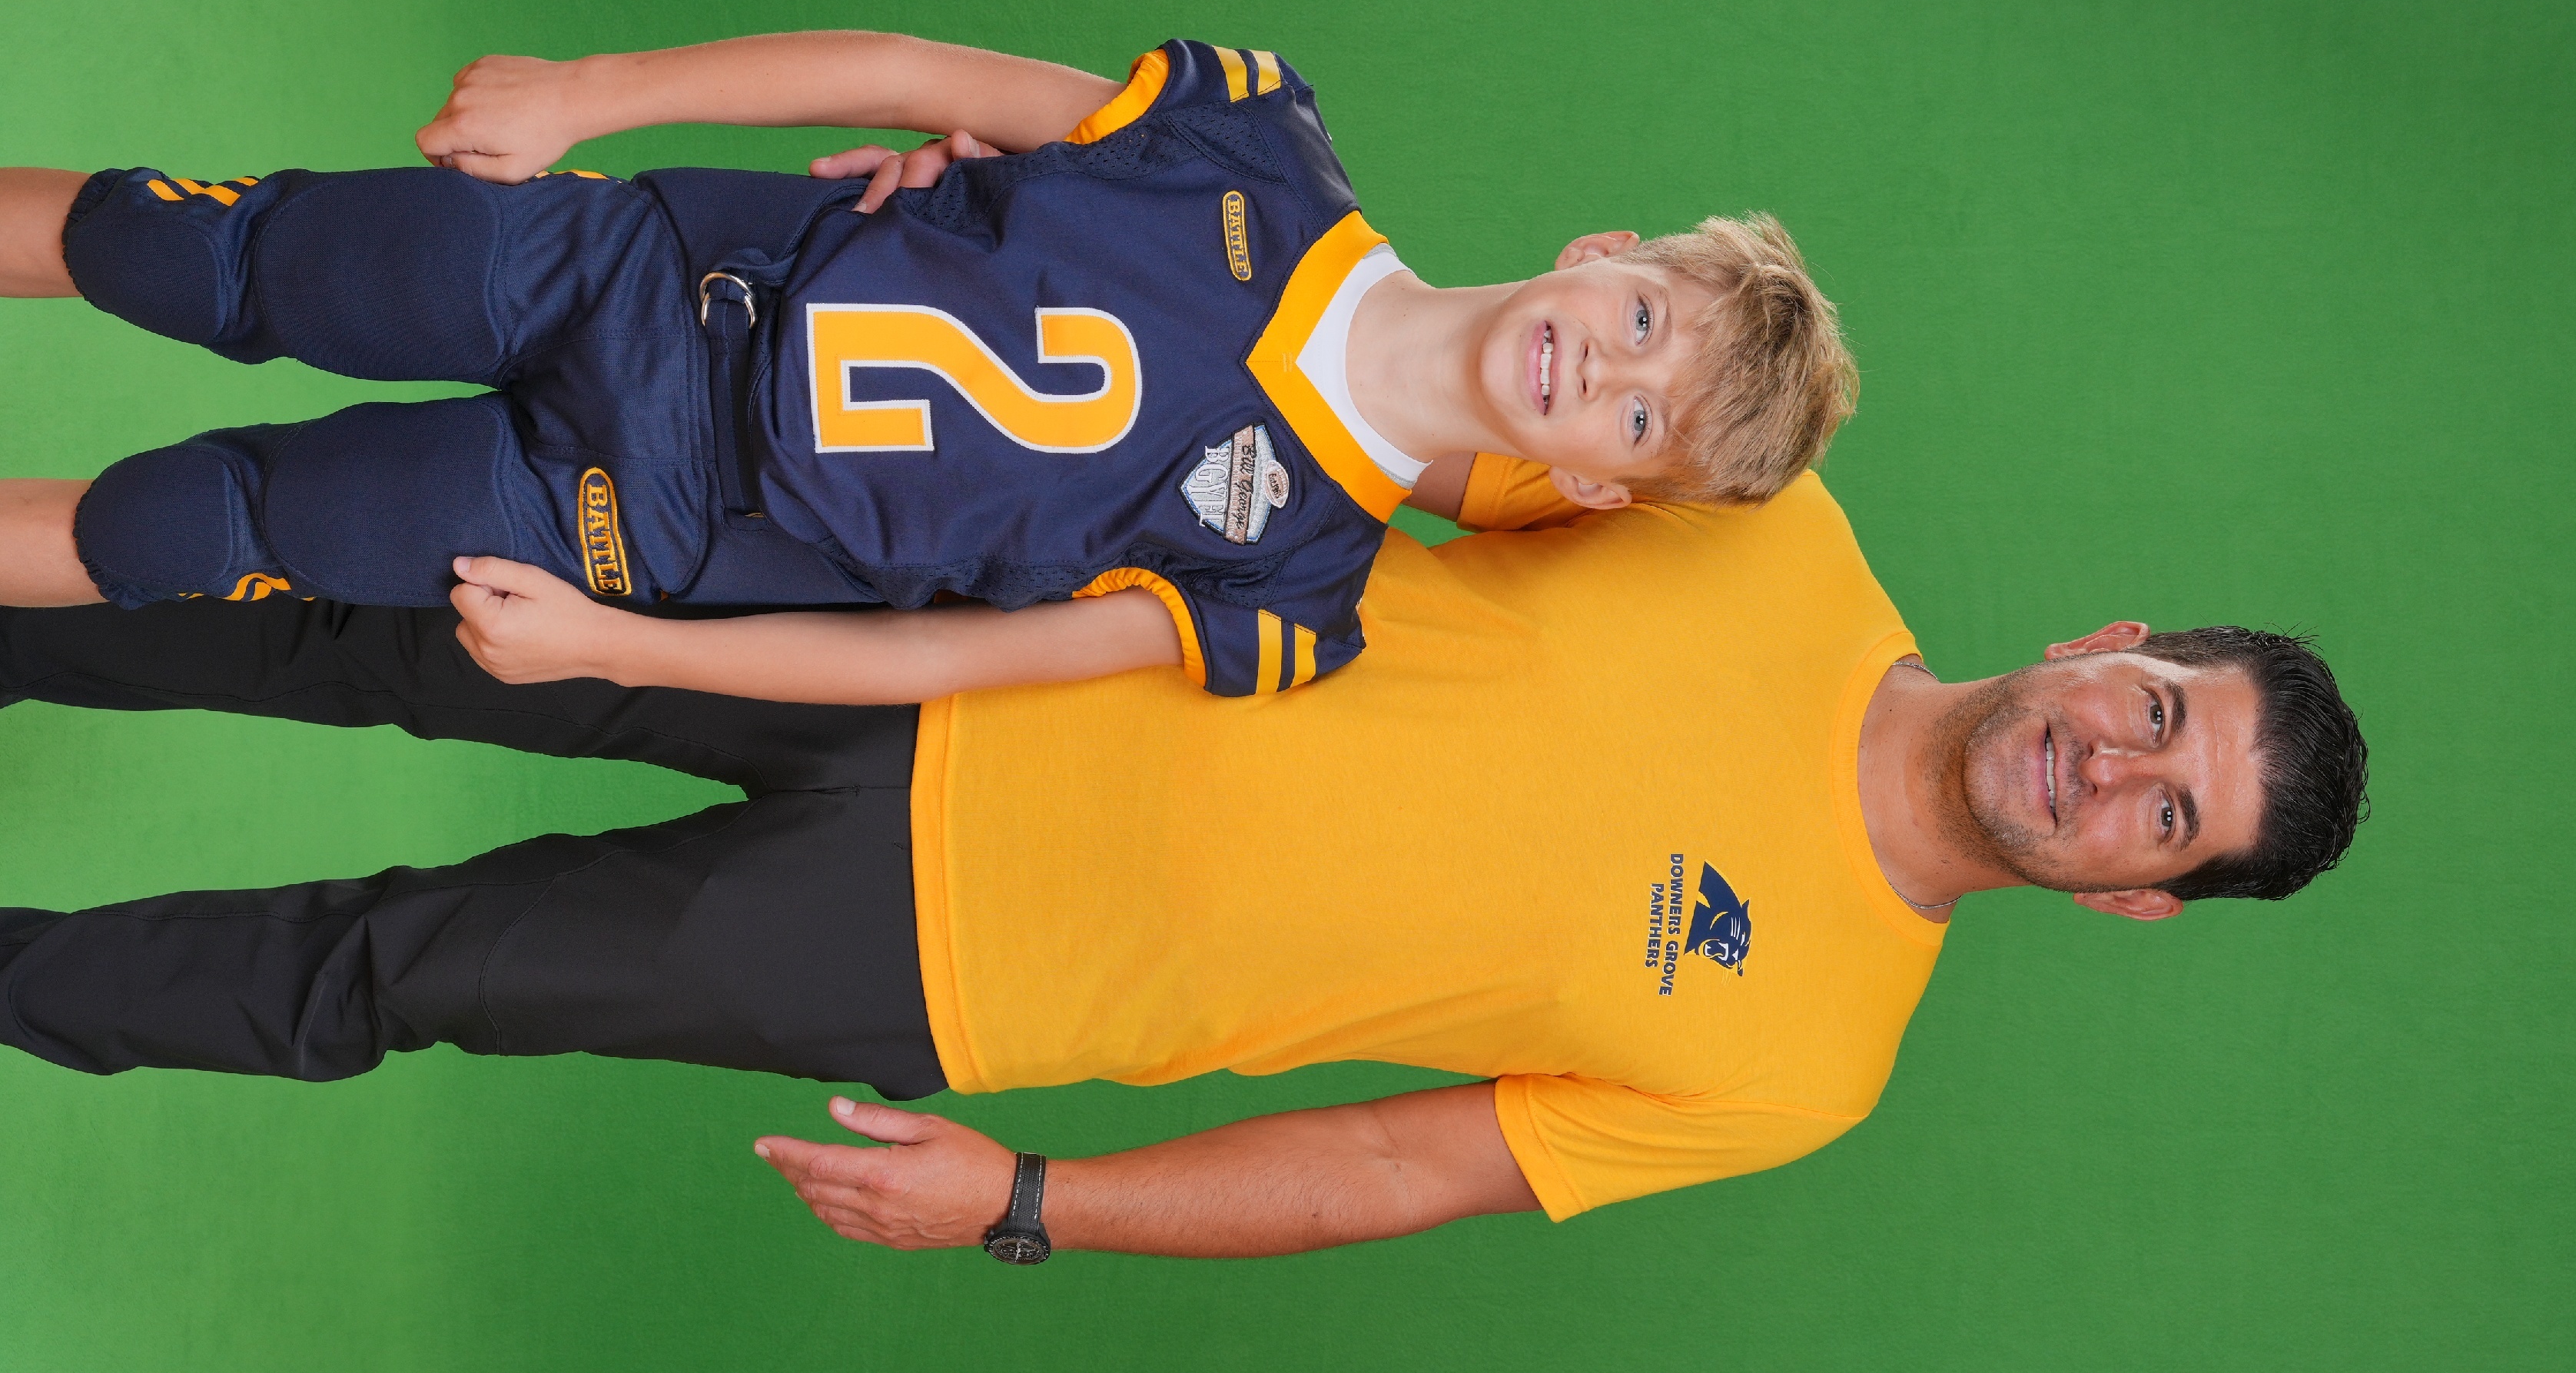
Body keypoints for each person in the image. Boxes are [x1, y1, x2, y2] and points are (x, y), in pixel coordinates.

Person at [0, 462, 2368, 1260]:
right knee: (374, 621)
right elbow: (1360, 407)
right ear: (2110, 641)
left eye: (2166, 815)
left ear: (2131, 899)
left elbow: (1396, 1163)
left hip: (938, 961)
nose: (2112, 767)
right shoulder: (1764, 520)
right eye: (2157, 709)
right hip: (950, 630)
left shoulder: (1807, 1063)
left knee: (401, 967)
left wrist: (1032, 1200)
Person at [0, 31, 1856, 707]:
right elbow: (917, 81)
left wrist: (626, 651)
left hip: (634, 527)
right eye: (1643, 321)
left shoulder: (1294, 589)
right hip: (639, 274)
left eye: (1639, 420)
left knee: (185, 530)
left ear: (1594, 483)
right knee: (183, 248)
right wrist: (593, 95)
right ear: (1605, 253)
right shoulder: (1252, 143)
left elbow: (940, 662)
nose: (1600, 371)